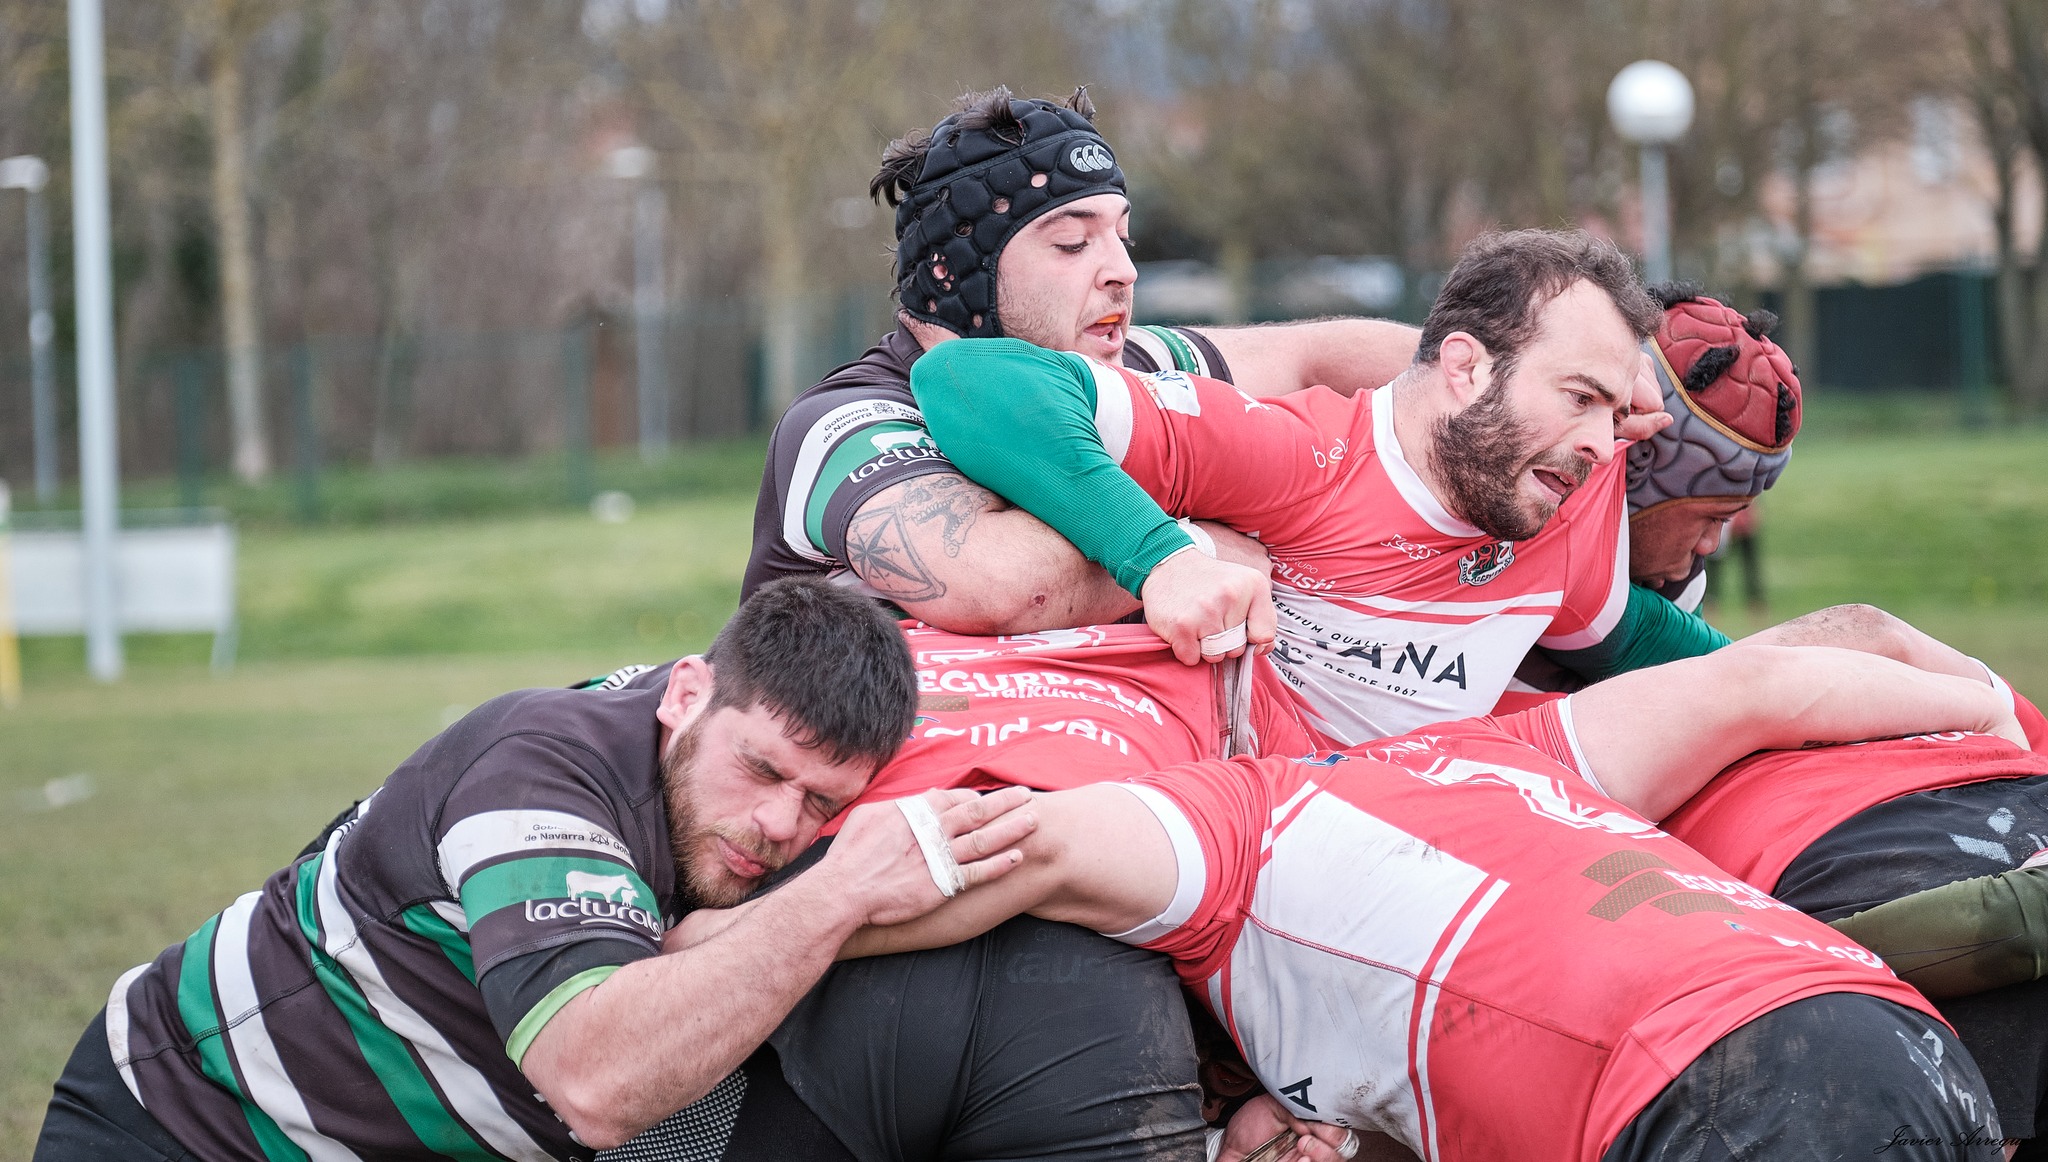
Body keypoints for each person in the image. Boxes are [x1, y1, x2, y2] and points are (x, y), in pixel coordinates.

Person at [815, 641, 2022, 1161]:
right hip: (1890, 1037)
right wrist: (1991, 708)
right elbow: (1758, 680)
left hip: (1720, 1086)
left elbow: (1013, 849)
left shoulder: (1231, 826)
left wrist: (746, 934)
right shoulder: (1511, 755)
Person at [30, 579, 1045, 1162]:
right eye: (763, 769)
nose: (781, 822)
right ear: (685, 693)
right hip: (186, 1124)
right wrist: (842, 885)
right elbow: (597, 1079)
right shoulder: (541, 770)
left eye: (824, 802)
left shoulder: (705, 748)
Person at [908, 228, 1727, 743]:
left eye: (1613, 412)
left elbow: (1673, 656)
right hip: (1252, 850)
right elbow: (970, 383)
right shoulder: (1304, 456)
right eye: (1580, 397)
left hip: (1436, 847)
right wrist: (1164, 559)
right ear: (1468, 370)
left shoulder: (1562, 502)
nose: (1600, 442)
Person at [742, 85, 1483, 640]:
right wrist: (1195, 546)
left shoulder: (1127, 365)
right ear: (950, 275)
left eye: (1122, 238)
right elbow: (999, 585)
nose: (1123, 271)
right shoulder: (848, 423)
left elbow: (1316, 353)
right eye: (1074, 243)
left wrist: (1495, 390)